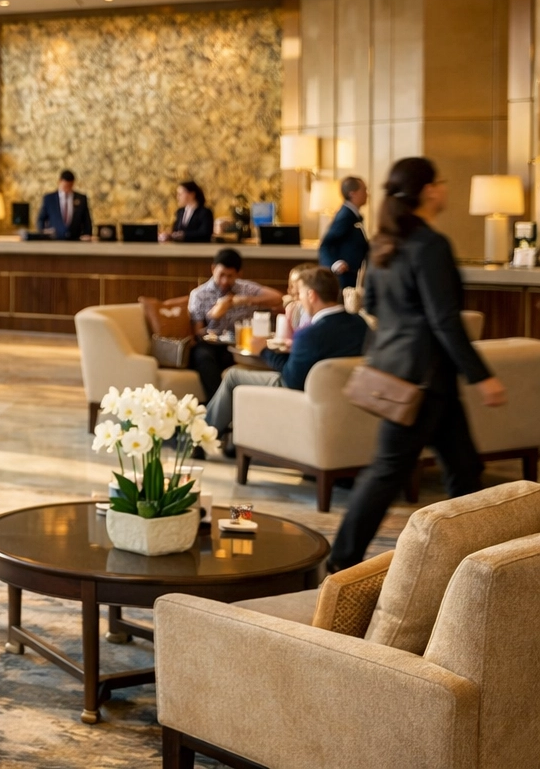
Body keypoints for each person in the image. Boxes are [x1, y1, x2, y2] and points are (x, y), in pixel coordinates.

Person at [330, 157, 507, 570]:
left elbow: (372, 304)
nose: (445, 188)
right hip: (423, 382)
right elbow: (445, 319)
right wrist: (482, 376)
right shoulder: (430, 245)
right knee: (386, 474)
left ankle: (468, 564)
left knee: (465, 471)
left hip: (413, 376)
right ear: (428, 190)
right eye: (441, 181)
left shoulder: (384, 243)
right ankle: (340, 565)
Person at [203, 267, 369, 450]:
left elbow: (291, 379)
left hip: (305, 394)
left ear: (312, 295)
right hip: (345, 400)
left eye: (301, 295)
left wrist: (264, 350)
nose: (300, 300)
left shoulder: (310, 334)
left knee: (234, 375)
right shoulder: (360, 324)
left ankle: (198, 438)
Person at [187, 248, 283, 400]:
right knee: (203, 356)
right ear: (213, 269)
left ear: (239, 274)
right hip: (209, 345)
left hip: (237, 344)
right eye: (221, 275)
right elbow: (198, 332)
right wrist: (215, 315)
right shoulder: (199, 294)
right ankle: (219, 406)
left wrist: (246, 300)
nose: (225, 281)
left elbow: (278, 298)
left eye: (230, 276)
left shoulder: (245, 289)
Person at [320, 176, 370, 291]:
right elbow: (326, 244)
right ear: (353, 194)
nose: (367, 194)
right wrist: (334, 264)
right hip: (345, 279)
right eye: (364, 190)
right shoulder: (345, 216)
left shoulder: (352, 215)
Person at [36, 169, 93, 240]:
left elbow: (87, 220)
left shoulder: (81, 199)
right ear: (60, 181)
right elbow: (40, 219)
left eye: (69, 186)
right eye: (65, 186)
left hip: (76, 240)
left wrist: (87, 235)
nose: (67, 189)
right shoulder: (49, 199)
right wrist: (43, 234)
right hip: (54, 240)